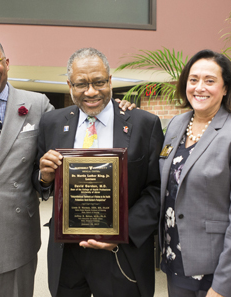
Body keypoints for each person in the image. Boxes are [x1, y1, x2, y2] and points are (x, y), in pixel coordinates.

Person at [0, 36, 134, 297]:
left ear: (6, 63)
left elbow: (76, 119)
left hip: (19, 230)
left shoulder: (37, 105)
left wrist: (117, 109)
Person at [34, 47, 164, 297]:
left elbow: (157, 190)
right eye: (81, 84)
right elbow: (37, 180)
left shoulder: (143, 124)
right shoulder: (52, 123)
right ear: (69, 84)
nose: (91, 92)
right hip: (68, 255)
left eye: (99, 82)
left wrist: (121, 232)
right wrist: (44, 176)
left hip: (120, 253)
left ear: (110, 81)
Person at [158, 49, 231, 297]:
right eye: (193, 79)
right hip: (176, 259)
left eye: (210, 80)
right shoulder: (176, 124)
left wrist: (223, 286)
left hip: (216, 268)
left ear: (226, 88)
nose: (199, 87)